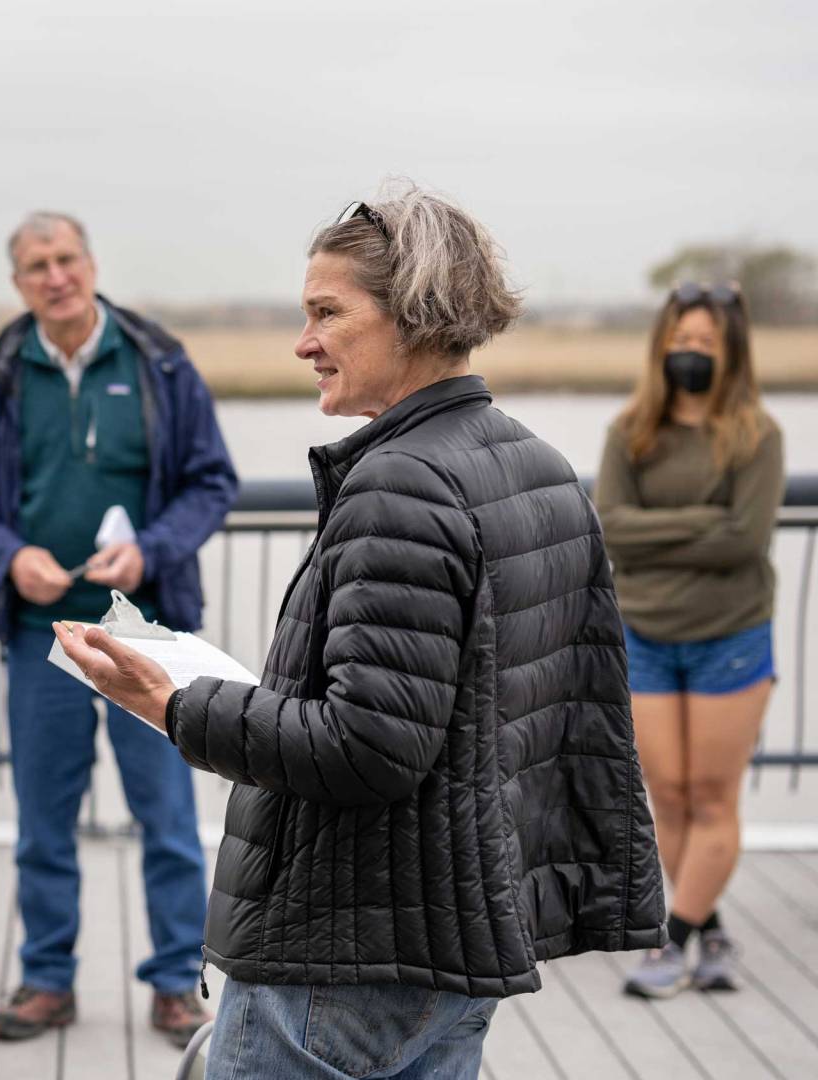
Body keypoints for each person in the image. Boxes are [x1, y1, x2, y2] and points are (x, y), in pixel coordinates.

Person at [55, 186, 666, 1079]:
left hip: (340, 956)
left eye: (327, 313)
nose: (304, 343)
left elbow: (369, 747)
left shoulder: (402, 485)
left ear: (413, 316)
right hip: (459, 948)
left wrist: (176, 702)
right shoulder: (536, 467)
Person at [0, 211, 237, 1048]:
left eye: (66, 259)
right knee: (43, 817)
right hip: (41, 631)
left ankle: (179, 983)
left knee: (168, 816)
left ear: (91, 264)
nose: (55, 276)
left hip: (148, 632)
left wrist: (154, 550)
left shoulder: (160, 365)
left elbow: (213, 481)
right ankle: (46, 979)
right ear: (18, 283)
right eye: (36, 265)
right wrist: (6, 555)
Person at [594, 284, 782, 999]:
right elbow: (610, 523)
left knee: (712, 793)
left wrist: (660, 533)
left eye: (705, 345)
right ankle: (711, 929)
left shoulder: (757, 434)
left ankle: (671, 942)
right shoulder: (630, 432)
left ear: (730, 353)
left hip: (729, 637)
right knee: (667, 793)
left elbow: (745, 538)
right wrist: (702, 522)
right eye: (681, 341)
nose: (690, 355)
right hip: (643, 633)